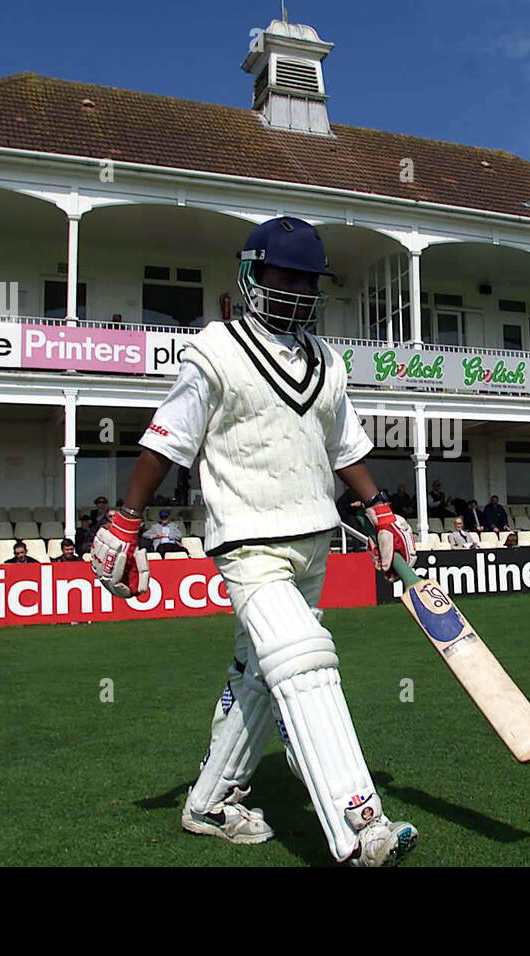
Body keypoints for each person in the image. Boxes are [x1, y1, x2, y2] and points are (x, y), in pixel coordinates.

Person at [90, 216, 417, 866]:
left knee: (260, 677)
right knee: (303, 659)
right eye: (285, 274)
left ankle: (211, 803)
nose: (296, 289)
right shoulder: (216, 349)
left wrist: (380, 508)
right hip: (249, 544)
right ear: (252, 274)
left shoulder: (327, 361)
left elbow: (344, 446)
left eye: (308, 279)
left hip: (315, 540)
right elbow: (166, 441)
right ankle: (361, 828)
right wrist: (125, 522)